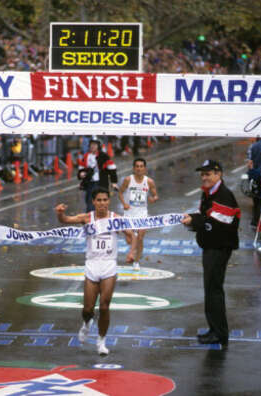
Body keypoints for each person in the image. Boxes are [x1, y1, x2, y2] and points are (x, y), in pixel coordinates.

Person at [55, 188, 136, 355]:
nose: (102, 203)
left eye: (105, 200)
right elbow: (66, 220)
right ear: (93, 202)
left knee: (105, 306)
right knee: (88, 309)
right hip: (92, 265)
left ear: (109, 201)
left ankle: (101, 341)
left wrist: (132, 251)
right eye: (99, 200)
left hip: (109, 265)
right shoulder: (87, 218)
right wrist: (60, 213)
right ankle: (86, 324)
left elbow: (131, 234)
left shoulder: (116, 219)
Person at [180, 160, 239, 346]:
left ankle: (220, 333)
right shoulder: (209, 193)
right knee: (211, 289)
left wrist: (193, 221)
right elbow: (205, 217)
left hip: (219, 248)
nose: (204, 177)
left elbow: (215, 224)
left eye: (208, 174)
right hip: (211, 247)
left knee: (214, 290)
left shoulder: (223, 195)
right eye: (202, 174)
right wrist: (193, 219)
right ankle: (214, 329)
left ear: (218, 174)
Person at [118, 158, 158, 271]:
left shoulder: (149, 181)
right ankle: (133, 250)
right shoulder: (128, 180)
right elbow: (120, 193)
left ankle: (136, 261)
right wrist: (124, 203)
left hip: (142, 214)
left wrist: (153, 199)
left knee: (140, 237)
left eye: (141, 166)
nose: (139, 168)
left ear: (144, 168)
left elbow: (156, 195)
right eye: (137, 166)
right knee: (130, 238)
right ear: (133, 168)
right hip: (129, 213)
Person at [78, 140, 118, 212]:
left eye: (95, 145)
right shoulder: (86, 156)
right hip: (89, 183)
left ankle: (98, 220)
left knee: (98, 203)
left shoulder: (103, 156)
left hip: (101, 183)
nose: (92, 146)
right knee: (89, 202)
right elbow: (81, 167)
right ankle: (92, 220)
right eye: (91, 144)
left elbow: (112, 169)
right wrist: (81, 173)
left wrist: (114, 182)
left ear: (98, 146)